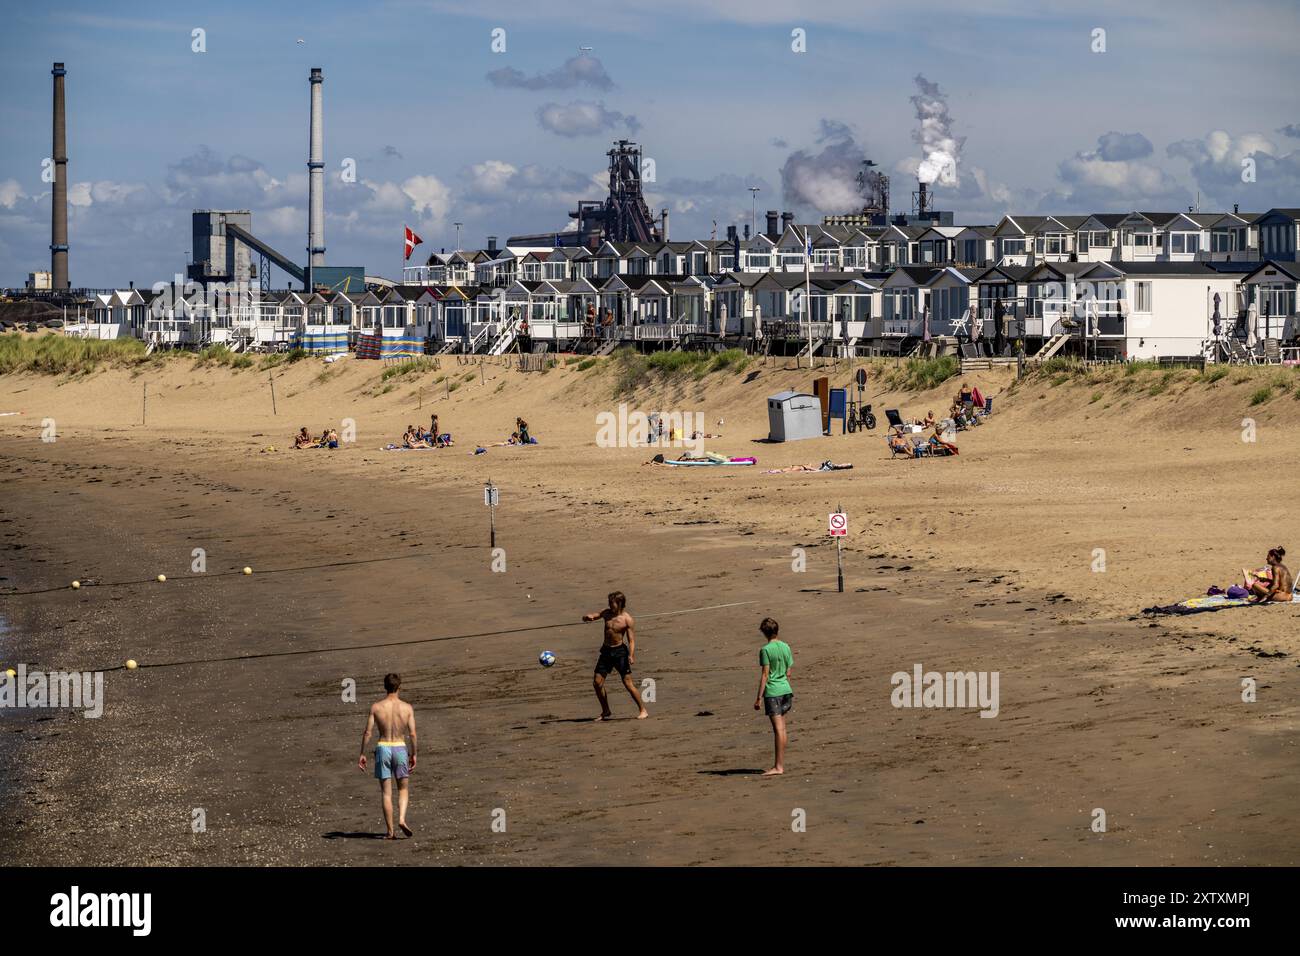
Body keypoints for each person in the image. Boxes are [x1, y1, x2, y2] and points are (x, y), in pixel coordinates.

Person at [357, 673, 417, 840]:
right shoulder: (407, 708)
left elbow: (368, 732)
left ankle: (390, 832)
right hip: (399, 748)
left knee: (386, 793)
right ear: (399, 687)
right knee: (403, 788)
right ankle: (402, 819)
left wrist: (362, 753)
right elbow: (412, 734)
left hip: (383, 747)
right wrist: (414, 754)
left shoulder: (376, 707)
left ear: (385, 687)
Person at [582, 591, 648, 720]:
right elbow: (594, 616)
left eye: (611, 603)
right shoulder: (606, 613)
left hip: (620, 653)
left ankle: (643, 710)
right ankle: (606, 711)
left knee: (627, 683)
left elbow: (631, 640)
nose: (609, 605)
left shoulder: (627, 619)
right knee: (597, 683)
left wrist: (631, 655)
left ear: (619, 603)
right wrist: (586, 617)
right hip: (606, 651)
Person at [753, 617, 793, 776]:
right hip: (786, 690)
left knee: (778, 730)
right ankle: (779, 764)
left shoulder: (766, 650)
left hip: (773, 692)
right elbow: (789, 671)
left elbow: (765, 675)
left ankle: (778, 766)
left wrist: (758, 698)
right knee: (783, 729)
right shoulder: (786, 646)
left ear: (764, 632)